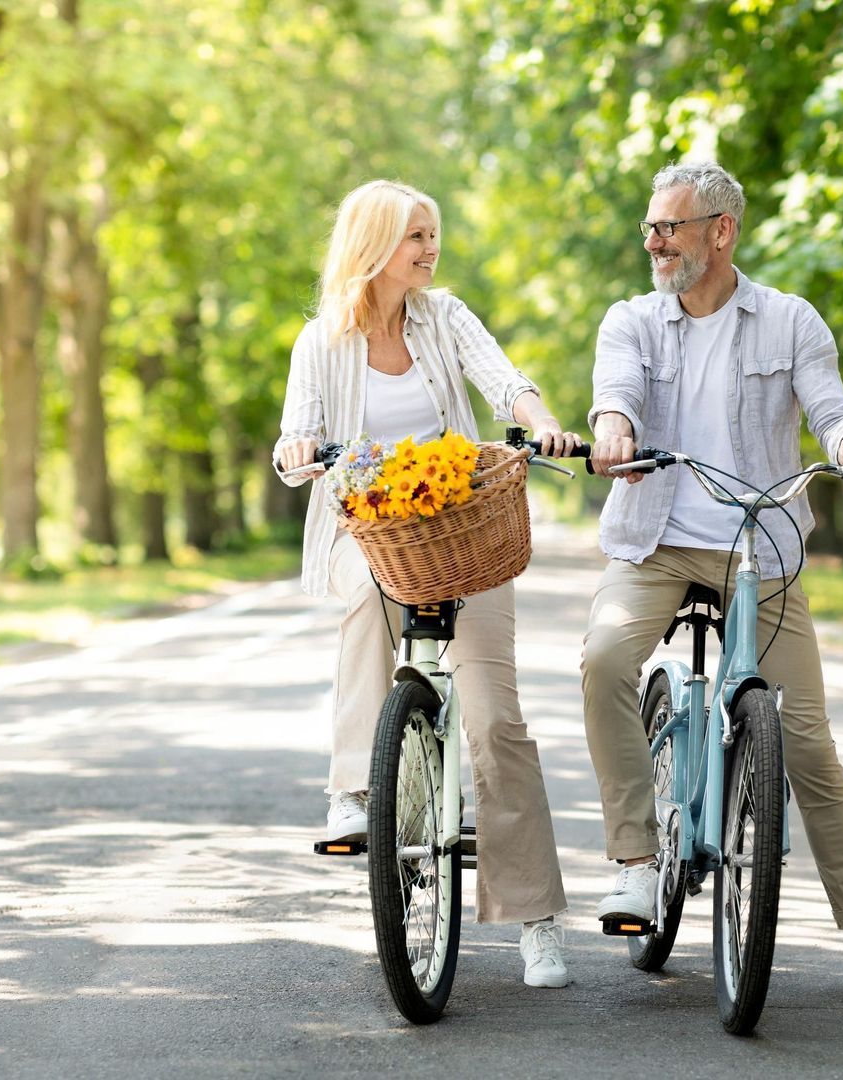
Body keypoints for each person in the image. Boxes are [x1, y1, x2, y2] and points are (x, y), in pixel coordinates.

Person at [582, 161, 843, 997]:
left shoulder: (788, 322)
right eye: (651, 228)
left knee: (806, 741)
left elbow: (833, 412)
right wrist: (614, 433)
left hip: (760, 546)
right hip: (657, 540)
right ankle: (636, 861)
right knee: (602, 659)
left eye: (670, 227)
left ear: (722, 231)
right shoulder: (631, 319)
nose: (655, 242)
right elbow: (614, 396)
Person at [275, 180, 577, 989]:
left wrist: (539, 418)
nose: (429, 248)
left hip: (463, 529)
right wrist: (298, 450)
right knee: (365, 603)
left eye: (432, 233)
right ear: (374, 243)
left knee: (491, 719)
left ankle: (537, 921)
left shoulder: (445, 316)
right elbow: (297, 425)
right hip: (368, 524)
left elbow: (504, 380)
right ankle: (354, 791)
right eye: (415, 236)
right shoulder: (323, 338)